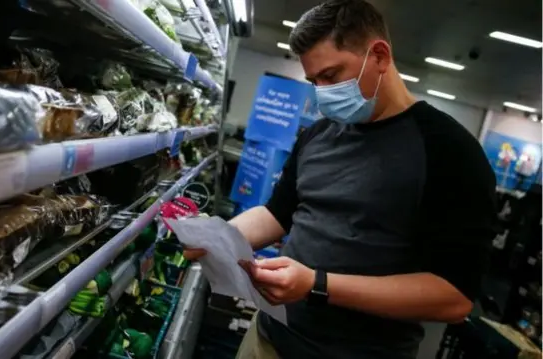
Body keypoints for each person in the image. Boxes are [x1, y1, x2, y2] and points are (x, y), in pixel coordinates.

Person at [185, 0, 497, 358]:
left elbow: (453, 297)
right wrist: (221, 238)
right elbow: (277, 213)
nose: (322, 93)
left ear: (379, 55)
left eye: (331, 76)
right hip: (267, 338)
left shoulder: (450, 152)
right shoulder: (318, 135)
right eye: (313, 81)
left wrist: (317, 285)